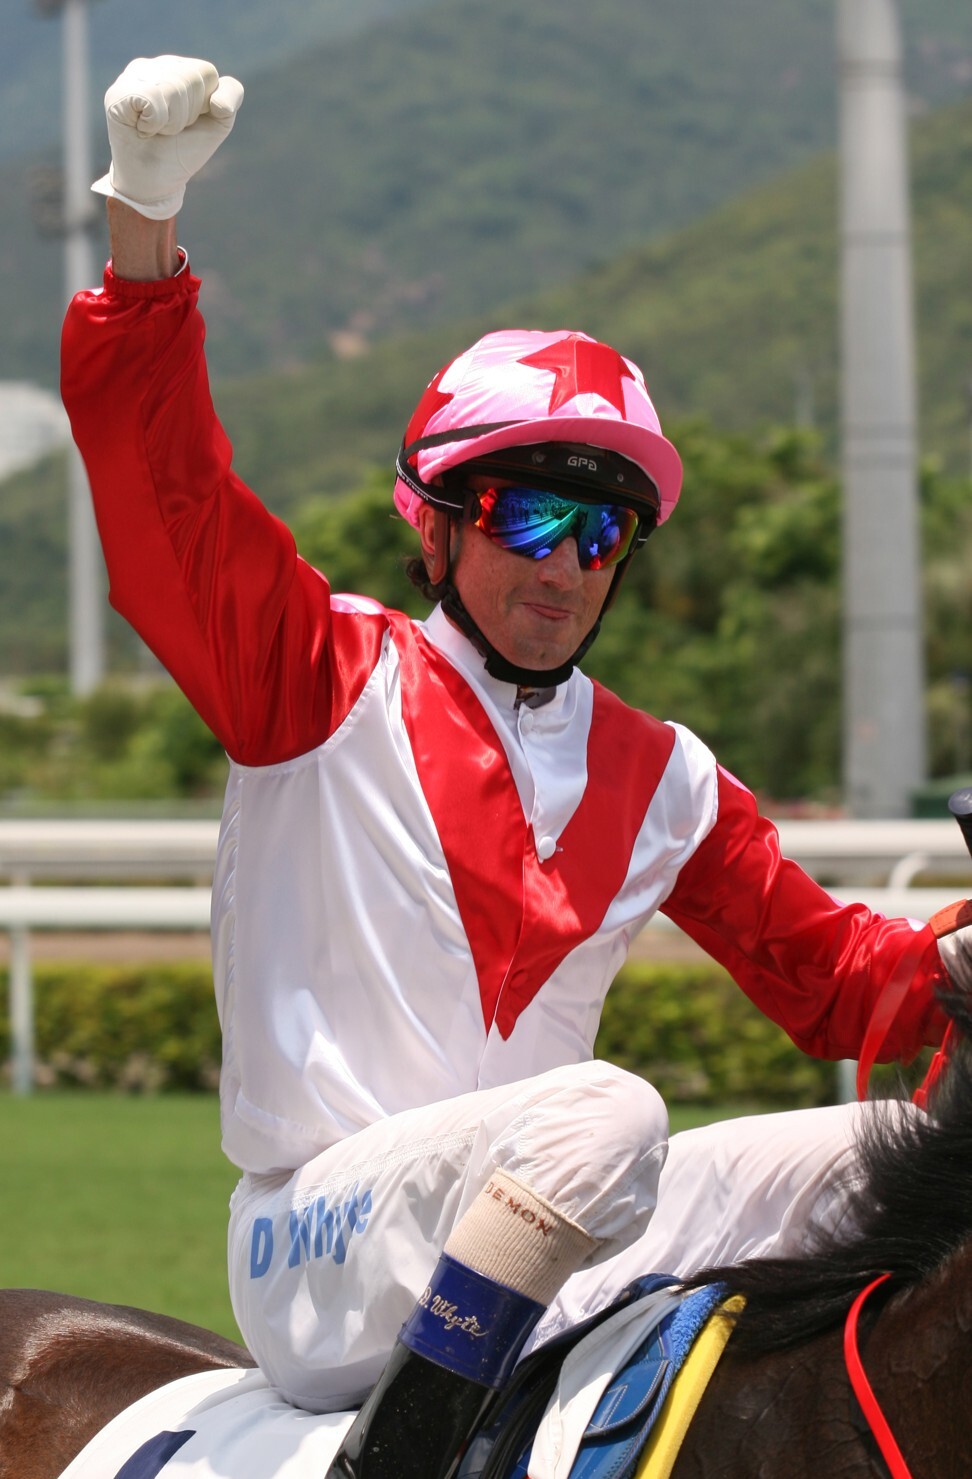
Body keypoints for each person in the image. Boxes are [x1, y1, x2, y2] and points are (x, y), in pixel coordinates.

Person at [59, 56, 969, 1479]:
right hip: (321, 1248)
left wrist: (957, 967)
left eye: (601, 533)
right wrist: (145, 229)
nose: (565, 564)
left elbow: (843, 981)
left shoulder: (664, 773)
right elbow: (163, 493)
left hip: (534, 1220)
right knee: (608, 1110)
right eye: (529, 514)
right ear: (439, 524)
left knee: (865, 1153)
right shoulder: (314, 672)